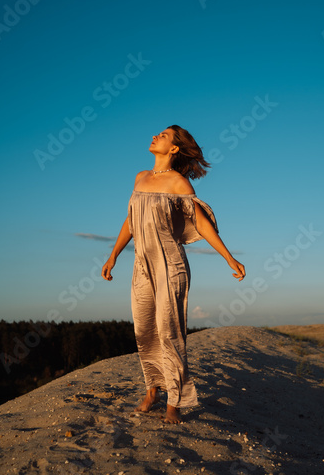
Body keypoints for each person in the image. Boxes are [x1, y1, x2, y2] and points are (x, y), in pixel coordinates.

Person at [101, 125, 246, 424]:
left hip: (170, 265)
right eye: (158, 133)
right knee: (144, 331)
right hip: (141, 265)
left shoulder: (179, 183)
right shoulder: (140, 177)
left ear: (174, 149)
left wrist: (229, 258)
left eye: (164, 135)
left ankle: (174, 402)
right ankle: (152, 390)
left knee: (169, 332)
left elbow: (202, 223)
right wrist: (113, 255)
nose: (156, 136)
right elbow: (131, 221)